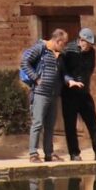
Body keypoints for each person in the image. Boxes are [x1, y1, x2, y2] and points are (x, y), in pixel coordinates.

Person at [22, 28, 69, 162]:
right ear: (58, 41)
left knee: (50, 125)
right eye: (63, 43)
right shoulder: (40, 48)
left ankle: (49, 153)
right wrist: (36, 78)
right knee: (37, 123)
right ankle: (33, 154)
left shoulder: (59, 55)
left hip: (53, 94)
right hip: (40, 93)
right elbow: (24, 62)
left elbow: (62, 73)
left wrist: (69, 81)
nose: (64, 46)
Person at [61, 27, 96, 160]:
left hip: (84, 92)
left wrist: (83, 84)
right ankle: (74, 153)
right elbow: (62, 71)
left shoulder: (91, 52)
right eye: (87, 44)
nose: (89, 47)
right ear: (81, 40)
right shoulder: (68, 51)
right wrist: (71, 82)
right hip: (69, 93)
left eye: (91, 45)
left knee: (93, 123)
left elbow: (90, 69)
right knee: (70, 125)